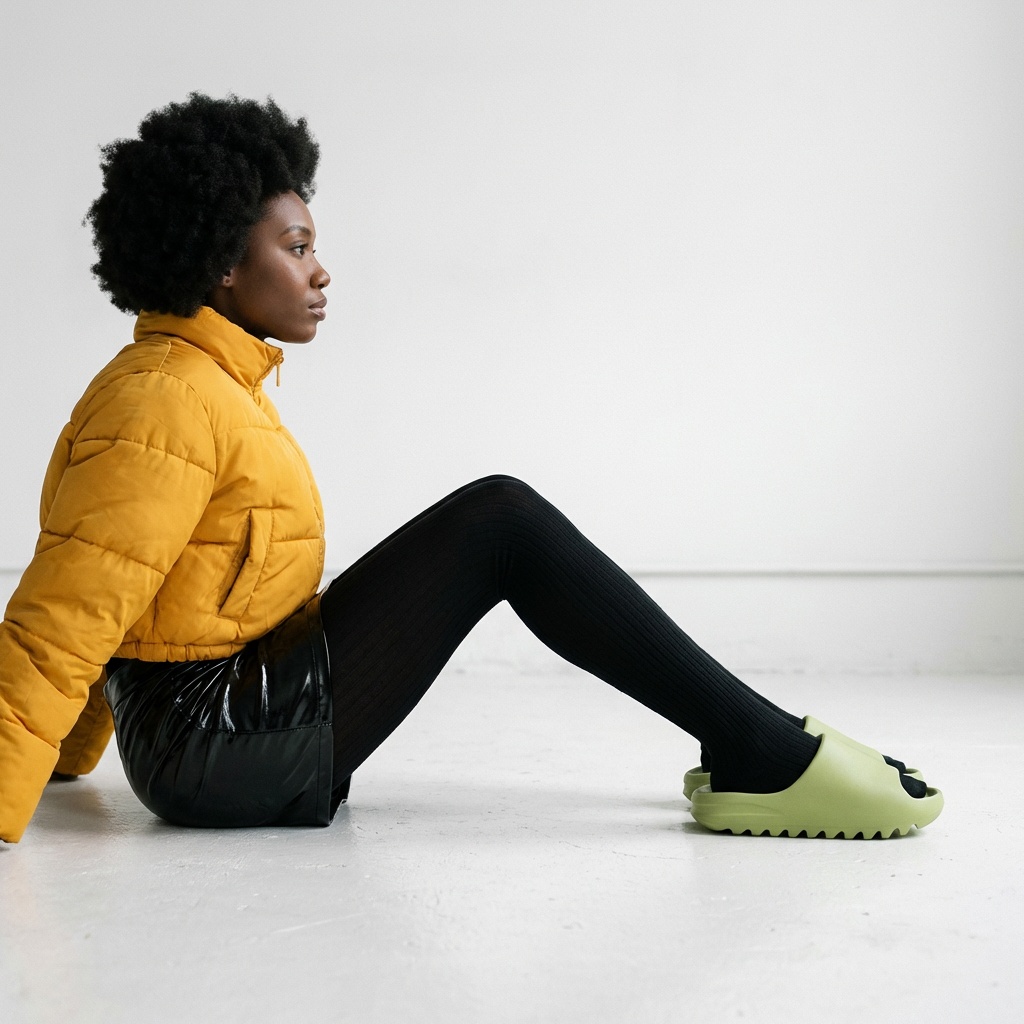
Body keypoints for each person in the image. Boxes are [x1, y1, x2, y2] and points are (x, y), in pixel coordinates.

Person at [0, 94, 942, 845]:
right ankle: (763, 752)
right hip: (214, 747)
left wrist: (71, 759)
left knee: (497, 518)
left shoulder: (202, 384)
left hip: (216, 725)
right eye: (297, 248)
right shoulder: (165, 399)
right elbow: (74, 607)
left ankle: (756, 743)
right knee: (499, 522)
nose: (321, 272)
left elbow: (135, 590)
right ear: (219, 266)